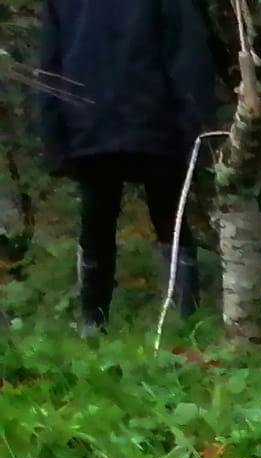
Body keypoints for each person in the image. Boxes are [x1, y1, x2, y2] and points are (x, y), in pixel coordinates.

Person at [37, 0, 213, 334]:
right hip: (154, 121)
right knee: (167, 220)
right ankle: (184, 322)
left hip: (92, 123)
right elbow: (188, 58)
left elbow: (51, 65)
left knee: (99, 223)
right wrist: (197, 127)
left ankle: (93, 324)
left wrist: (54, 138)